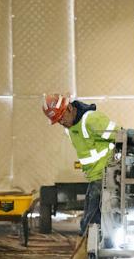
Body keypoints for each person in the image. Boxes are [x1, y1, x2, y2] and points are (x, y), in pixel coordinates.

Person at [42, 93, 118, 235]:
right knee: (92, 221)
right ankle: (96, 248)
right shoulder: (71, 129)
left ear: (69, 108)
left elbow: (120, 136)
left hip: (107, 176)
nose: (62, 122)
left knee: (91, 223)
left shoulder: (91, 119)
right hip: (96, 178)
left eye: (62, 117)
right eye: (58, 121)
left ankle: (92, 249)